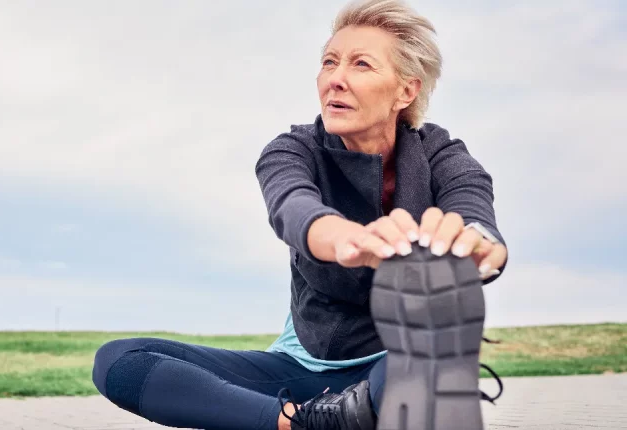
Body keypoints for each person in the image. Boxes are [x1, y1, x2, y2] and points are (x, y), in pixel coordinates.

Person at [92, 0, 508, 429]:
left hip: (398, 367)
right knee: (119, 361)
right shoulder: (292, 150)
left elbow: (474, 209)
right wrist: (348, 239)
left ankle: (346, 417)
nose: (336, 79)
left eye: (361, 65)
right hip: (301, 373)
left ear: (406, 91)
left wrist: (479, 246)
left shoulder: (440, 154)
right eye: (329, 62)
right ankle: (301, 424)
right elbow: (294, 209)